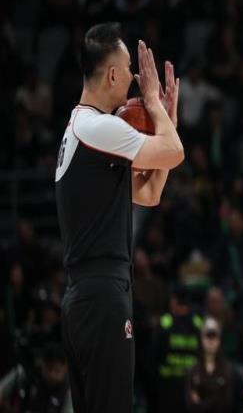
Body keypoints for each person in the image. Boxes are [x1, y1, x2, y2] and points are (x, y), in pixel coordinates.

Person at [55, 22, 184, 413]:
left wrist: (167, 120)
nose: (134, 79)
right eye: (129, 69)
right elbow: (175, 152)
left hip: (87, 295)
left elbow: (151, 192)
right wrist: (155, 103)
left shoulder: (83, 131)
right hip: (101, 295)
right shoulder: (98, 127)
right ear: (112, 75)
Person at [155, 286, 202, 413]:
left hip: (168, 390)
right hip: (191, 388)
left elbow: (153, 358)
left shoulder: (165, 323)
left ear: (174, 301)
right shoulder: (199, 324)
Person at [186, 317, 243, 412]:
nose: (211, 341)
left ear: (219, 339)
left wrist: (203, 402)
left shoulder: (230, 371)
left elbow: (229, 404)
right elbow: (191, 406)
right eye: (208, 336)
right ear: (201, 338)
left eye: (214, 336)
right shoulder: (192, 371)